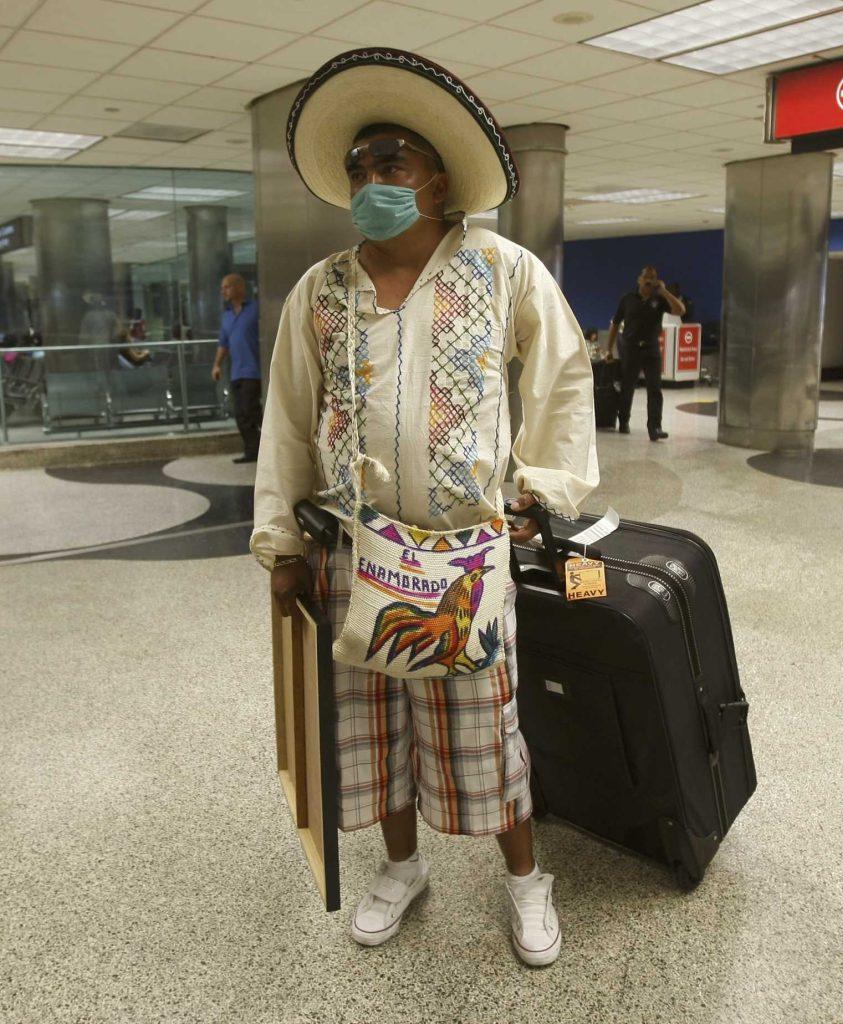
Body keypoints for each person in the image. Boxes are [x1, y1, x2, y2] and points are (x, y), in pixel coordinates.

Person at [251, 48, 597, 967]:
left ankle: (527, 881)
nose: (372, 180)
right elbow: (287, 416)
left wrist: (542, 488)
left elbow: (563, 375)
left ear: (436, 179)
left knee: (483, 729)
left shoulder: (501, 269)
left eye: (391, 162)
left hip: (461, 561)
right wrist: (281, 541)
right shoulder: (321, 292)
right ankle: (401, 868)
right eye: (361, 167)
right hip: (350, 550)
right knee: (369, 724)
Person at [605, 265, 684, 440]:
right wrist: (608, 349)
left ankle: (655, 427)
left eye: (652, 277)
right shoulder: (627, 299)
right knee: (628, 387)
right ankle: (623, 420)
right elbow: (615, 323)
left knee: (655, 388)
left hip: (652, 349)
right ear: (639, 279)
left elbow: (680, 310)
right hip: (631, 348)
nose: (649, 280)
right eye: (646, 277)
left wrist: (664, 292)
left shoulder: (660, 300)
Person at [211, 273, 261, 464]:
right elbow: (223, 344)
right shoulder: (227, 316)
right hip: (236, 372)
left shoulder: (256, 310)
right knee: (240, 414)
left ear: (239, 287)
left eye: (227, 287)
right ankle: (252, 451)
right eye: (222, 288)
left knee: (250, 409)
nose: (223, 291)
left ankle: (270, 445)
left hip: (254, 371)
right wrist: (216, 365)